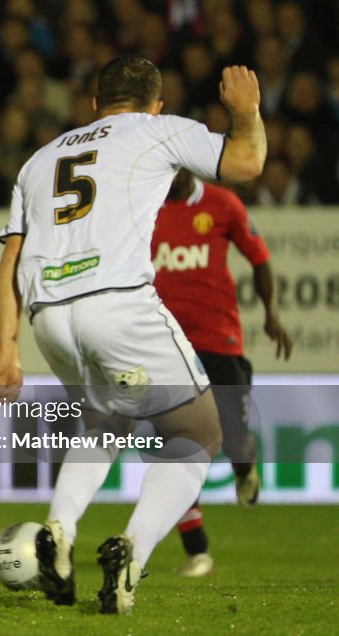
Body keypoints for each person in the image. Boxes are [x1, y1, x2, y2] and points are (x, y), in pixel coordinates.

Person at [0, 55, 266, 614]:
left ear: (94, 103)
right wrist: (248, 112)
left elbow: (10, 260)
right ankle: (131, 554)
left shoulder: (40, 160)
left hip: (50, 316)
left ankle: (59, 533)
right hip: (116, 303)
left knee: (104, 420)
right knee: (198, 431)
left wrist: (7, 348)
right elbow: (247, 163)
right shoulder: (159, 130)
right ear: (156, 104)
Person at [153, 168, 292, 577]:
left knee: (234, 435)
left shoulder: (222, 204)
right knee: (177, 447)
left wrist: (271, 314)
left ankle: (244, 465)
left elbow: (259, 259)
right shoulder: (142, 204)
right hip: (164, 344)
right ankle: (197, 552)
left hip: (219, 338)